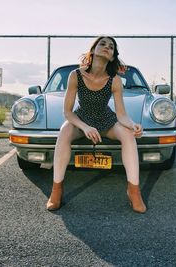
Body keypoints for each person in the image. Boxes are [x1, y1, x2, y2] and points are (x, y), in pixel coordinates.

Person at [46, 36, 146, 213]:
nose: (107, 47)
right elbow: (67, 112)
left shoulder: (114, 80)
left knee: (128, 135)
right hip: (81, 118)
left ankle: (134, 191)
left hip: (106, 119)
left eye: (111, 47)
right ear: (93, 50)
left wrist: (132, 125)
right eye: (103, 44)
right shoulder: (75, 75)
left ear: (113, 57)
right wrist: (85, 127)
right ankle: (56, 190)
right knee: (64, 131)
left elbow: (121, 114)